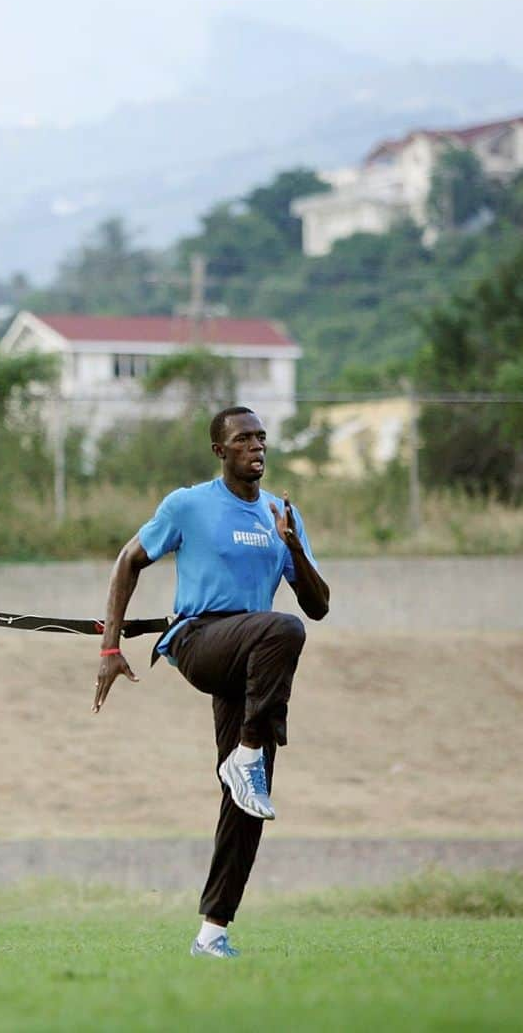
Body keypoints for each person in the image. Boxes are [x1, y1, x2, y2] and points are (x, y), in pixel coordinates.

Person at [93, 405, 329, 959]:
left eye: (262, 439)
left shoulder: (279, 514)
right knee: (282, 629)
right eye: (244, 439)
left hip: (254, 660)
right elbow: (128, 560)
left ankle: (212, 932)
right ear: (220, 450)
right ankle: (246, 754)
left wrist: (292, 547)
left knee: (248, 801)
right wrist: (109, 646)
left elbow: (319, 606)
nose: (257, 447)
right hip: (201, 641)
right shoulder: (189, 504)